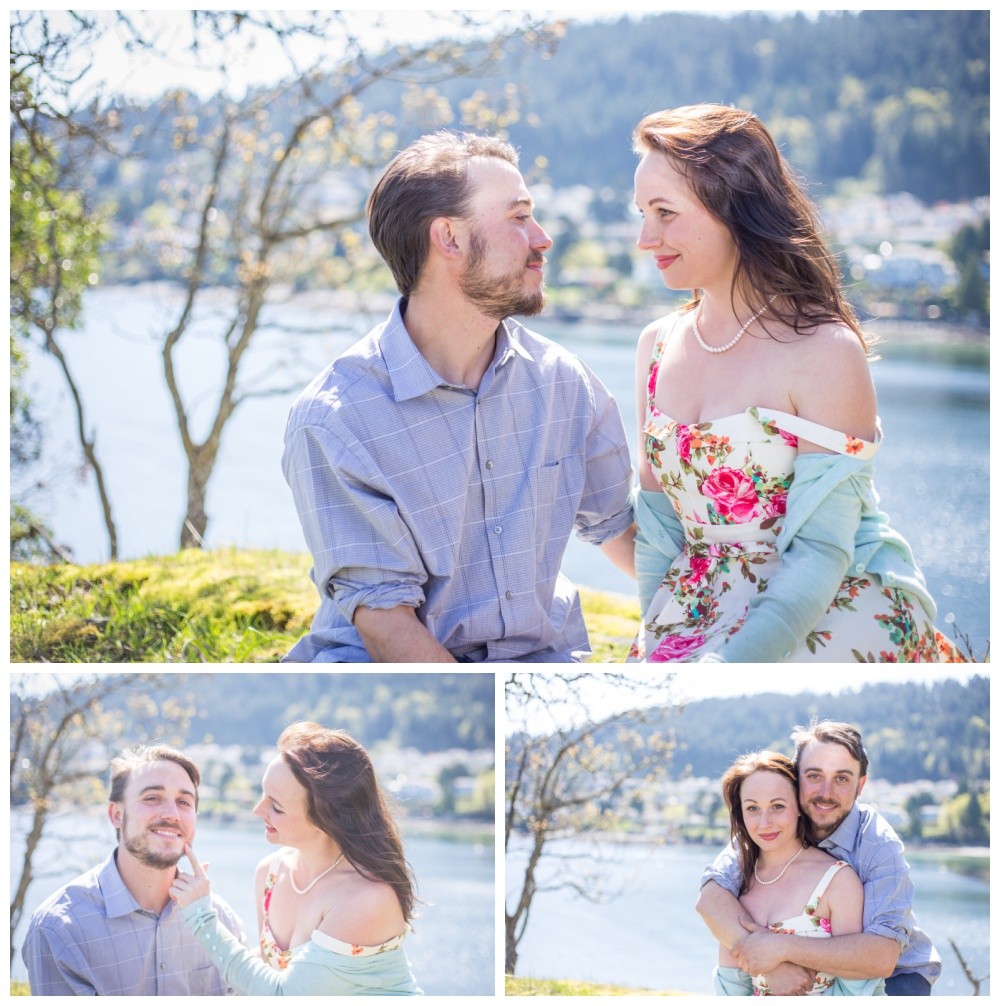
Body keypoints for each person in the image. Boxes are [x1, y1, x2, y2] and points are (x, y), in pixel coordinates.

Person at [281, 130, 636, 663]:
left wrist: (689, 626)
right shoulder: (336, 418)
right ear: (448, 237)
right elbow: (385, 624)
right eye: (519, 217)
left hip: (540, 664)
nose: (542, 238)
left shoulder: (565, 381)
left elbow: (623, 529)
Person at [627, 103, 963, 662]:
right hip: (694, 607)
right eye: (642, 212)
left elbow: (821, 553)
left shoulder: (826, 353)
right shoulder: (655, 346)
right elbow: (660, 527)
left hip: (824, 607)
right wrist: (656, 640)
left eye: (665, 213)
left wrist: (728, 667)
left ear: (734, 207)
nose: (645, 238)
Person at [170, 722, 422, 995]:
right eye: (263, 794)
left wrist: (201, 917)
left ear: (326, 819)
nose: (258, 810)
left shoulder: (367, 897)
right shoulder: (271, 872)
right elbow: (267, 968)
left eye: (276, 807)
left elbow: (281, 994)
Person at [698, 720, 940, 995]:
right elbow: (711, 898)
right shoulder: (770, 828)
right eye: (814, 776)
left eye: (841, 778)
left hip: (898, 973)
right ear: (796, 778)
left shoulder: (878, 844)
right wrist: (769, 963)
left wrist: (779, 948)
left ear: (860, 785)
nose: (826, 792)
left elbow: (882, 957)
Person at [22, 744, 245, 995]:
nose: (172, 814)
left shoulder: (222, 921)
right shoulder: (60, 930)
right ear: (116, 815)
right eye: (152, 798)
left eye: (184, 802)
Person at [712, 750, 883, 995]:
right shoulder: (737, 884)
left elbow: (855, 991)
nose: (764, 822)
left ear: (800, 806)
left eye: (777, 806)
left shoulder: (838, 881)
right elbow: (730, 989)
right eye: (752, 808)